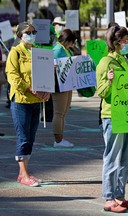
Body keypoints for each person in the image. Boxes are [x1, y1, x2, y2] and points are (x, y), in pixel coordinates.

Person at [96, 25, 128, 213]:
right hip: (112, 115)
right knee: (112, 158)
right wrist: (111, 81)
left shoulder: (125, 60)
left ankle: (120, 196)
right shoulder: (106, 62)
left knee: (126, 159)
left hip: (127, 114)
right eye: (126, 40)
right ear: (116, 42)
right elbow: (102, 92)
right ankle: (108, 198)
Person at [5, 22, 50, 186]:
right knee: (23, 137)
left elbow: (45, 73)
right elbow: (13, 77)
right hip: (21, 100)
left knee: (30, 138)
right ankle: (24, 175)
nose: (32, 34)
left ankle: (22, 173)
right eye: (28, 32)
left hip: (36, 101)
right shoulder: (15, 53)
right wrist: (30, 89)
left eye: (34, 31)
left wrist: (47, 90)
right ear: (20, 35)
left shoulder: (38, 51)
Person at [52, 29, 76, 148]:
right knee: (59, 113)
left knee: (63, 112)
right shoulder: (57, 50)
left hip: (66, 84)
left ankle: (60, 138)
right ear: (68, 40)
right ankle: (58, 140)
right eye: (72, 42)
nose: (73, 44)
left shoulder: (65, 49)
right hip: (59, 85)